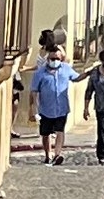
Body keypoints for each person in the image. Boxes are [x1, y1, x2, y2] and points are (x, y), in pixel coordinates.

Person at [30, 33, 73, 167]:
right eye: (53, 58)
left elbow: (75, 75)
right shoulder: (40, 71)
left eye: (57, 58)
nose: (55, 60)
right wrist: (33, 108)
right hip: (45, 106)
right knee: (45, 133)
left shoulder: (63, 63)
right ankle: (48, 155)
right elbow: (34, 91)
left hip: (61, 106)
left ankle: (57, 154)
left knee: (60, 130)